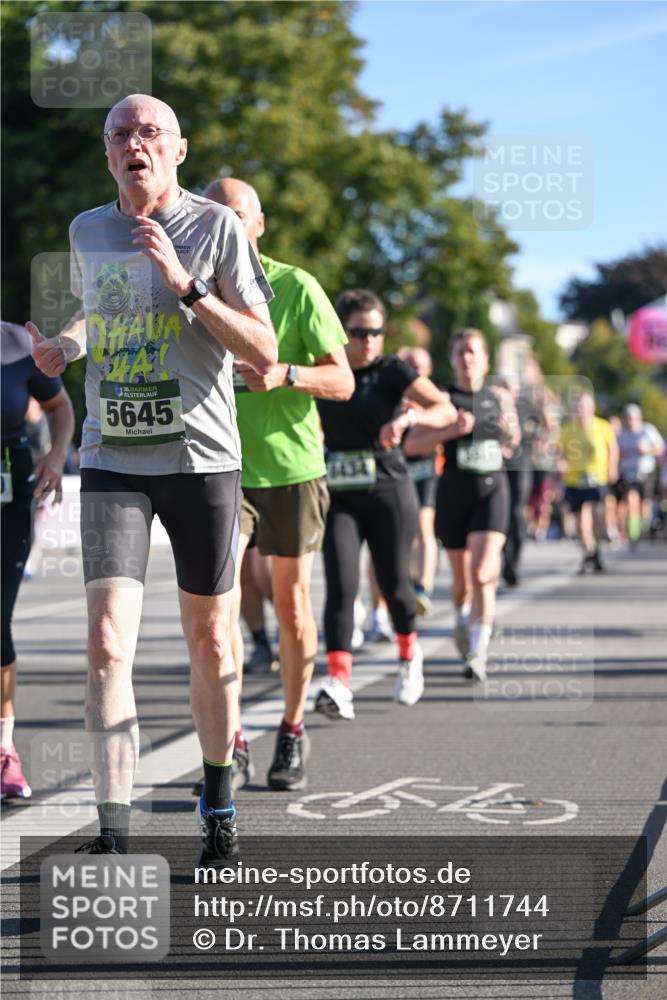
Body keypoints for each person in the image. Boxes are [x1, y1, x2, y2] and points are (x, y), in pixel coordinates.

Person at [28, 95, 277, 861]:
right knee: (105, 642)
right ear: (108, 155)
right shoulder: (87, 229)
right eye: (118, 135)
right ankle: (113, 827)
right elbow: (94, 313)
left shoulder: (216, 227)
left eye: (147, 133)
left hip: (201, 459)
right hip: (111, 457)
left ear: (178, 149)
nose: (132, 144)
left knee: (211, 643)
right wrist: (67, 348)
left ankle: (219, 800)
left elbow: (263, 351)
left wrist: (187, 286)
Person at [202, 177, 353, 789]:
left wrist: (284, 373)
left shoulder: (296, 286)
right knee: (221, 611)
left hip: (292, 469)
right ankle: (231, 739)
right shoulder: (191, 292)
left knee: (290, 606)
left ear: (258, 225)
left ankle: (290, 730)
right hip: (219, 467)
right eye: (217, 216)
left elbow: (341, 381)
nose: (229, 227)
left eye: (239, 217)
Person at [315, 289, 455, 720]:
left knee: (395, 585)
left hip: (390, 491)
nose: (370, 340)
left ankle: (410, 656)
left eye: (376, 331)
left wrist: (409, 417)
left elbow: (445, 409)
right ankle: (339, 683)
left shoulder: (393, 370)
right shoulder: (324, 369)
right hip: (339, 492)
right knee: (341, 585)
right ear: (341, 331)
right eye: (359, 332)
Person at [405, 328, 519, 682]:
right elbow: (412, 446)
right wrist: (449, 431)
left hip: (492, 489)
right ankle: (462, 615)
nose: (467, 358)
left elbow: (514, 441)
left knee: (484, 572)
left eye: (473, 351)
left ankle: (477, 651)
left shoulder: (498, 397)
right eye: (460, 353)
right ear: (452, 360)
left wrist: (508, 429)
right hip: (454, 491)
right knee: (462, 580)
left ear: (485, 359)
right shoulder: (442, 398)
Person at [1, 322, 74, 801]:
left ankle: (3, 748)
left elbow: (60, 406)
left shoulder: (17, 342)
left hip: (8, 499)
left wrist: (56, 453)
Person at [399, 346, 441, 614]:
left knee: (424, 527)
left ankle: (423, 588)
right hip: (398, 469)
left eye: (419, 367)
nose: (414, 372)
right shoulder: (394, 395)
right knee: (402, 533)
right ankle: (405, 583)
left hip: (425, 469)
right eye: (409, 366)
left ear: (429, 371)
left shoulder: (436, 399)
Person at [558, 391, 619, 574]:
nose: (580, 410)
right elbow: (560, 451)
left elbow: (612, 447)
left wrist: (612, 467)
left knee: (596, 516)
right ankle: (588, 552)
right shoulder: (567, 429)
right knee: (580, 521)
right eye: (577, 407)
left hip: (597, 477)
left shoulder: (602, 426)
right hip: (574, 479)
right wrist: (560, 462)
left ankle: (597, 550)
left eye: (583, 406)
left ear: (591, 408)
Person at [615, 403, 664, 546]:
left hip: (646, 471)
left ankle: (645, 527)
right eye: (628, 418)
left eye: (633, 418)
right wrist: (621, 455)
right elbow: (615, 451)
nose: (630, 421)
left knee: (645, 504)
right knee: (631, 500)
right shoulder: (622, 433)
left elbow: (660, 447)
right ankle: (633, 534)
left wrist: (646, 450)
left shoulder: (647, 430)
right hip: (628, 473)